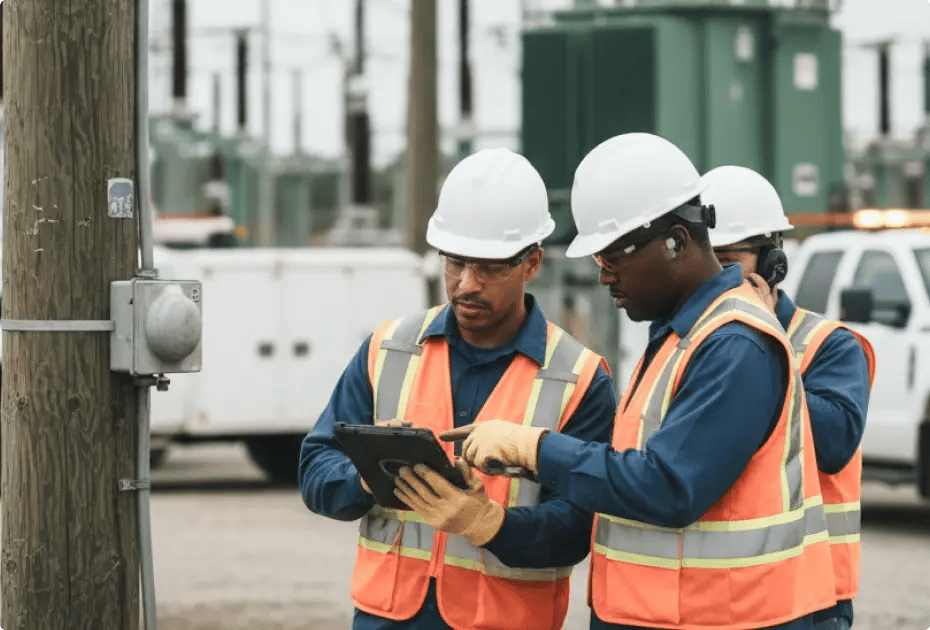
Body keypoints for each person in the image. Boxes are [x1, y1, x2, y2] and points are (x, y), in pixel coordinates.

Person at [446, 133, 838, 630]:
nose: (605, 276)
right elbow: (631, 472)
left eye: (613, 257)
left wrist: (536, 448)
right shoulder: (680, 337)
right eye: (598, 261)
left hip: (729, 620)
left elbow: (669, 486)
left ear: (675, 240)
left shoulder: (736, 343)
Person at [298, 147, 617, 630]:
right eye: (455, 262)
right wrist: (364, 477)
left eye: (488, 267)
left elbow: (580, 529)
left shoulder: (579, 379)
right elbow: (315, 469)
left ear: (532, 262)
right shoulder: (388, 350)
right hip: (388, 620)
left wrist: (488, 523)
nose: (466, 284)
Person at [703, 165, 876, 630]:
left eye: (726, 261)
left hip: (812, 597)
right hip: (724, 592)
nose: (711, 277)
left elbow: (836, 442)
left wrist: (765, 346)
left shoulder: (827, 344)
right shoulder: (691, 345)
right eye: (705, 260)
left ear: (771, 260)